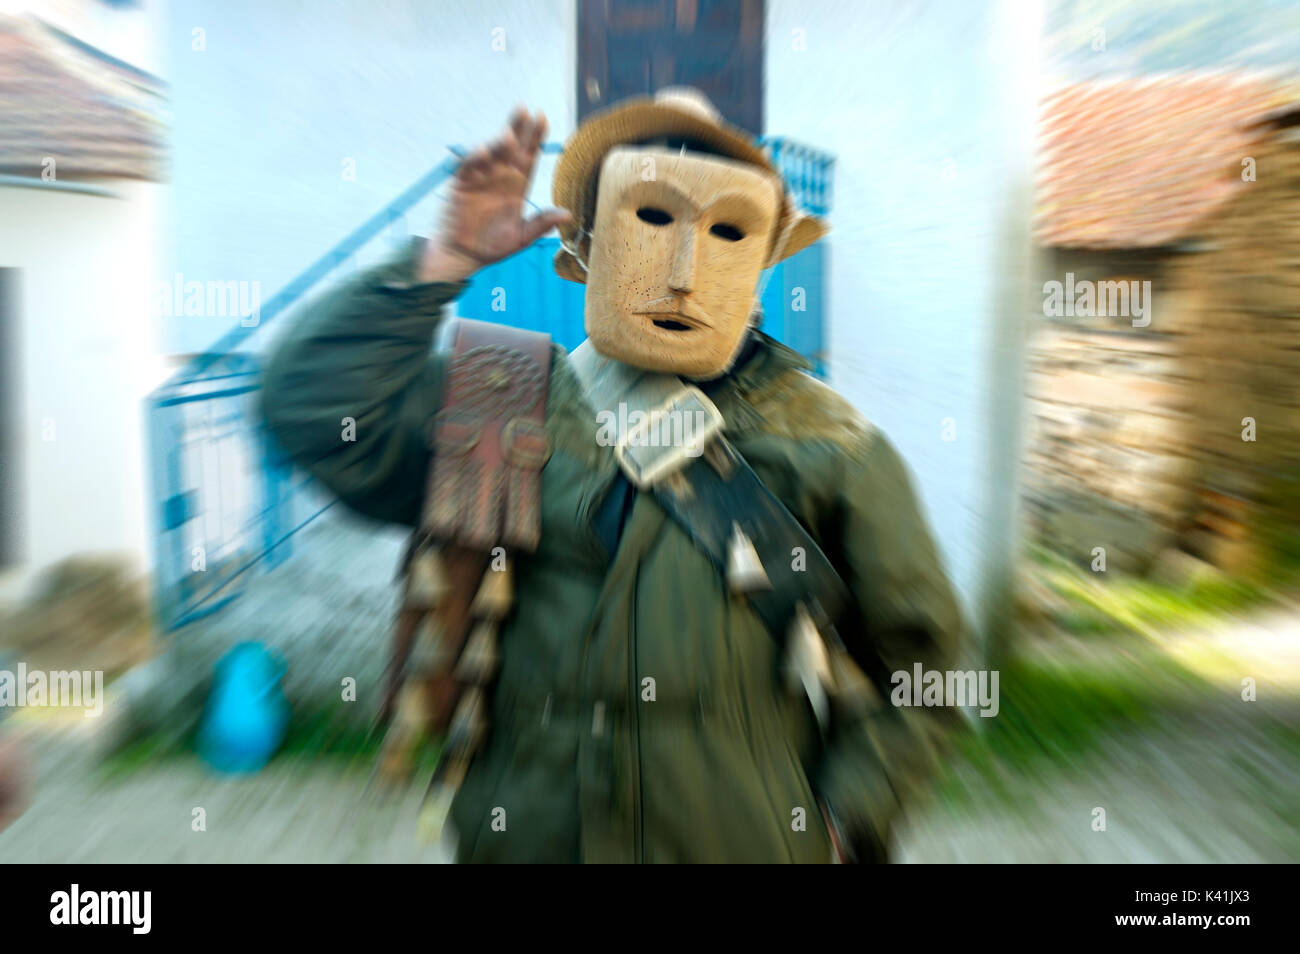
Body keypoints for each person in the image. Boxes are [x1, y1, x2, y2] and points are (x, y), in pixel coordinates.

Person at [262, 89, 965, 863]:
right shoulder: (502, 404)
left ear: (763, 267)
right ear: (585, 247)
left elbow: (924, 669)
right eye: (652, 218)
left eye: (728, 232)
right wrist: (440, 264)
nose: (684, 273)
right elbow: (310, 408)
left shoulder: (831, 446)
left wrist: (842, 819)